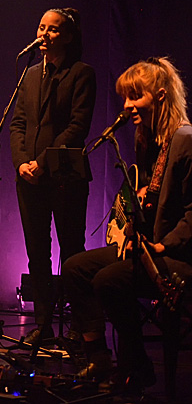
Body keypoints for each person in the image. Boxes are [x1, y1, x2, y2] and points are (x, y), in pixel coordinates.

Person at [63, 57, 192, 393]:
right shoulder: (146, 140)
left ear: (161, 96)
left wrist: (166, 244)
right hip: (149, 248)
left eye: (135, 96)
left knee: (109, 280)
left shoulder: (186, 140)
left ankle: (136, 367)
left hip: (179, 255)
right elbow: (148, 196)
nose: (127, 105)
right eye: (125, 97)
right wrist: (127, 222)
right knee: (75, 267)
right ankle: (99, 357)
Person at [9, 7, 96, 345]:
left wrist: (42, 163)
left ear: (68, 37)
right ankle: (43, 323)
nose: (43, 34)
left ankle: (81, 325)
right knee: (36, 251)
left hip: (63, 176)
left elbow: (77, 128)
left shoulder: (81, 74)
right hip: (28, 178)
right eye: (41, 27)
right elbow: (17, 123)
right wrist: (21, 163)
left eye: (53, 30)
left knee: (73, 251)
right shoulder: (29, 75)